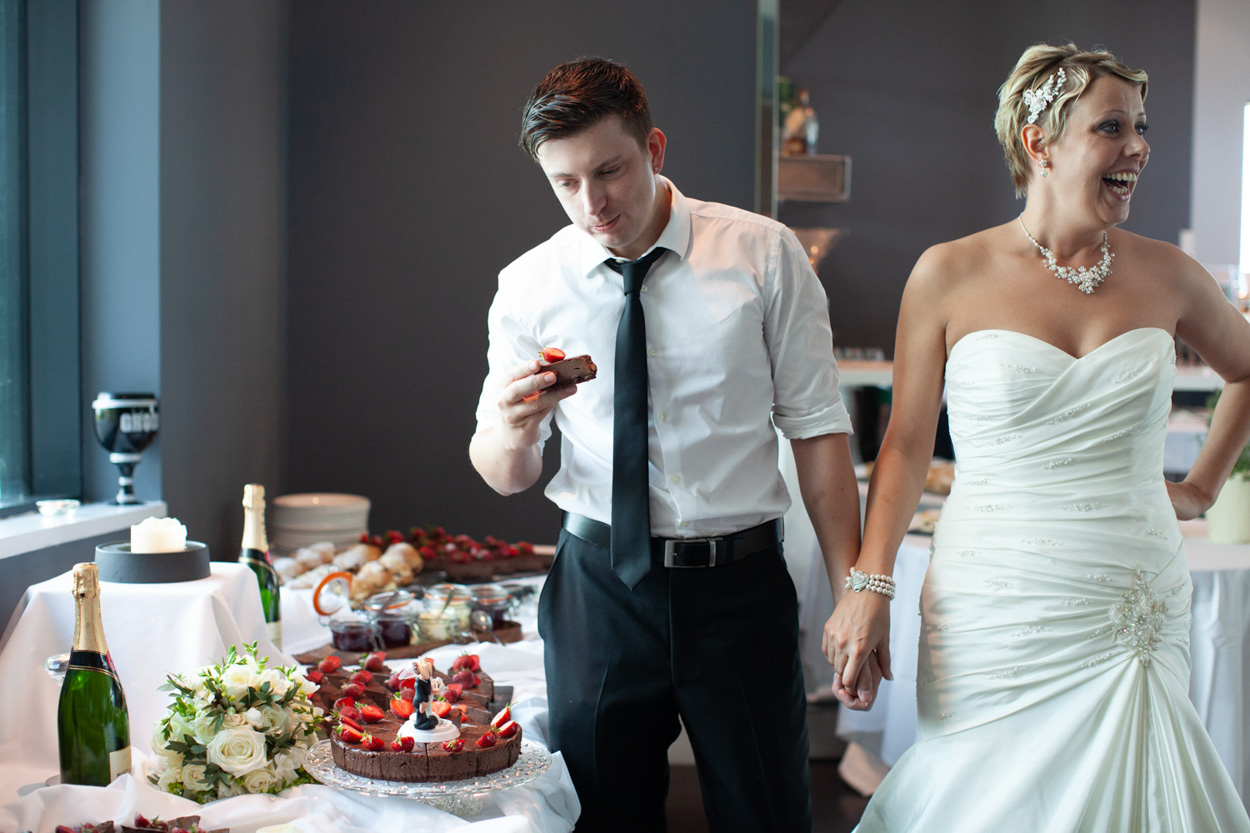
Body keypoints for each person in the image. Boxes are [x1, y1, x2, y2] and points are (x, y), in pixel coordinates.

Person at [824, 43, 1250, 831]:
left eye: (1142, 127)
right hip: (991, 600)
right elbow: (908, 445)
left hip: (1132, 596)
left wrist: (1200, 487)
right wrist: (868, 583)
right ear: (1039, 141)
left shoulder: (1171, 275)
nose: (1138, 148)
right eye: (1112, 127)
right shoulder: (948, 273)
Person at [470, 57, 861, 832]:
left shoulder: (764, 254)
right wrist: (512, 427)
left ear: (653, 148)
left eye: (609, 170)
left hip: (739, 586)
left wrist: (853, 591)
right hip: (598, 589)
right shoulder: (529, 285)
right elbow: (504, 472)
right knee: (604, 820)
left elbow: (817, 431)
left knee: (769, 815)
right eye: (566, 183)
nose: (593, 202)